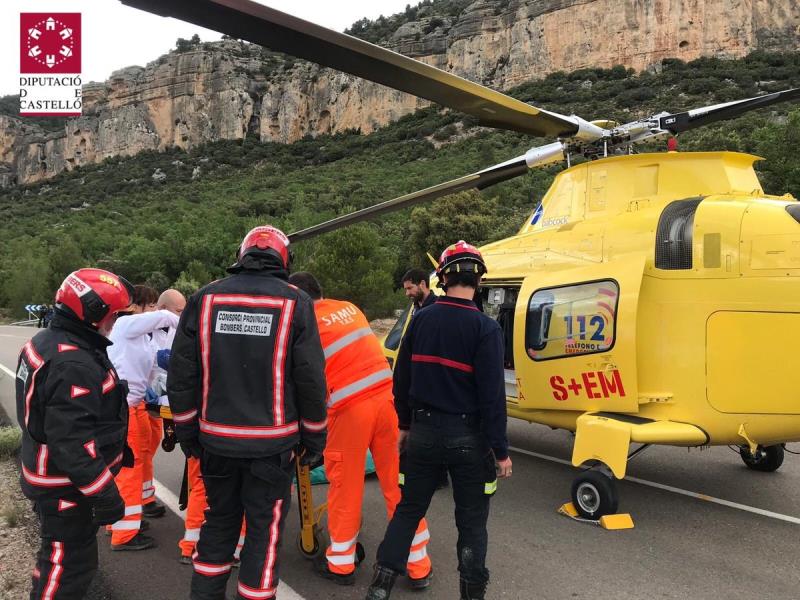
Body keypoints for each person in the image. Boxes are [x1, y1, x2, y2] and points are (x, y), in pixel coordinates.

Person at [168, 225, 328, 600]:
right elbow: (310, 380)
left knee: (219, 523)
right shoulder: (295, 302)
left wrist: (188, 432)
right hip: (272, 447)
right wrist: (315, 437)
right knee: (264, 533)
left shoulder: (204, 298)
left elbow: (181, 373)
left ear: (242, 256)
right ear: (284, 259)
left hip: (215, 443)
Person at [367, 241, 513, 600]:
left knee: (407, 511)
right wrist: (501, 451)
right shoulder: (486, 329)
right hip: (468, 440)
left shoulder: (422, 319)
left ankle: (379, 588)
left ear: (443, 277)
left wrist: (403, 425)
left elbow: (400, 377)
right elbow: (492, 397)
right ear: (478, 280)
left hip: (423, 434)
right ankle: (472, 593)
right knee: (472, 523)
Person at [288, 272, 432, 588]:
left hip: (350, 411)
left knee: (345, 484)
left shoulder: (302, 324)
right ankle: (418, 563)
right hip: (388, 400)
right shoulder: (348, 308)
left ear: (295, 299)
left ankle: (340, 564)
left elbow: (300, 382)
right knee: (398, 484)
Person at [16, 268, 134, 599]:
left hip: (49, 475)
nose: (114, 322)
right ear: (93, 313)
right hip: (64, 486)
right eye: (113, 314)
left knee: (57, 559)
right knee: (68, 568)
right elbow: (72, 443)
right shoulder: (75, 364)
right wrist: (104, 492)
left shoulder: (49, 340)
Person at [107, 285, 180, 550]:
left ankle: (120, 521)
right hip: (123, 406)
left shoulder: (143, 336)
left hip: (133, 403)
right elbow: (166, 317)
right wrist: (189, 320)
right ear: (136, 306)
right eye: (149, 306)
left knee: (135, 459)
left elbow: (155, 370)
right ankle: (124, 534)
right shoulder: (126, 324)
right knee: (129, 465)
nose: (153, 311)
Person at [401, 268, 448, 490]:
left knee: (434, 432)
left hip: (432, 379)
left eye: (410, 288)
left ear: (422, 284)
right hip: (418, 375)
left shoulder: (435, 309)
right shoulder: (417, 308)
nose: (407, 293)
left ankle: (438, 477)